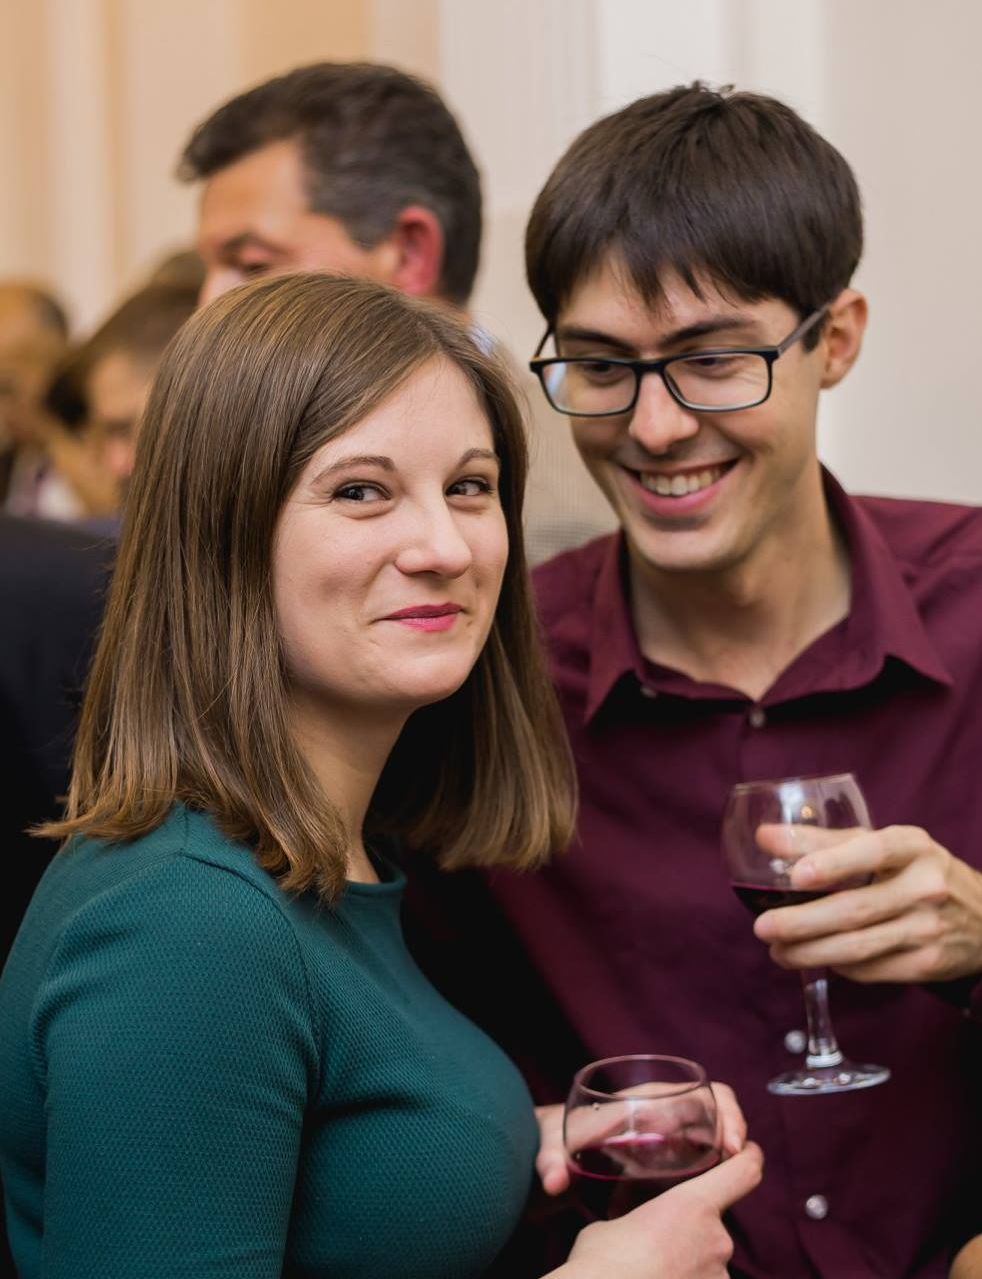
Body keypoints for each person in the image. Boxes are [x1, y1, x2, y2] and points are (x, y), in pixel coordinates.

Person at [0, 273, 761, 1279]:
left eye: (470, 487)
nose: (444, 546)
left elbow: (303, 1155)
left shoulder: (340, 849)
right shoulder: (186, 924)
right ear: (221, 533)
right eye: (361, 491)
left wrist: (514, 1136)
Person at [404, 84, 982, 1278]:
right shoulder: (485, 676)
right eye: (601, 366)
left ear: (835, 339)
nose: (656, 427)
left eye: (714, 361)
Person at [178, 60, 613, 562]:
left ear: (410, 254)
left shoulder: (549, 524)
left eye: (253, 265)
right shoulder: (228, 454)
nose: (208, 303)